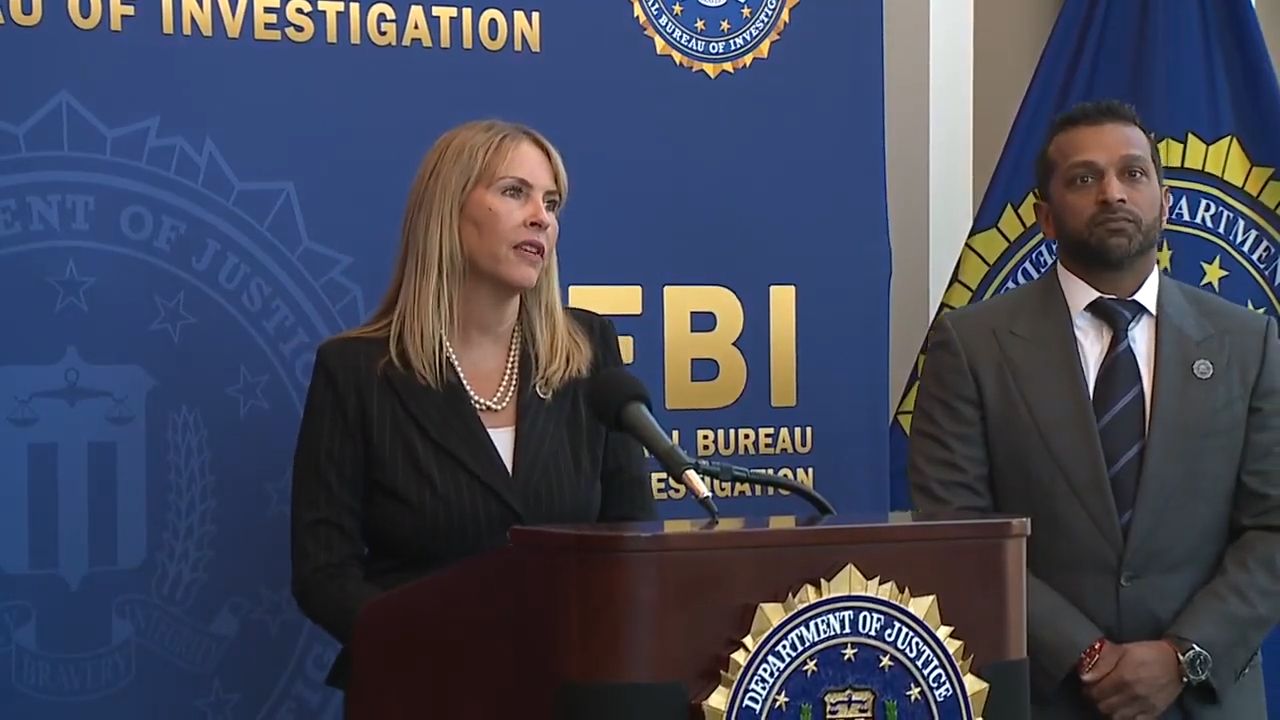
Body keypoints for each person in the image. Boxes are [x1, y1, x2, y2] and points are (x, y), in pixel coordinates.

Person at [907, 100, 1280, 718]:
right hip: (1042, 696)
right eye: (1085, 178)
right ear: (1046, 218)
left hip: (1203, 698)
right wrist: (1086, 655)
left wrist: (1182, 656)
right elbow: (957, 533)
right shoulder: (971, 346)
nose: (1113, 193)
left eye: (1133, 173)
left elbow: (1272, 526)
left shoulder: (1249, 342)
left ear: (1164, 202)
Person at [289, 119, 657, 690]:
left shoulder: (589, 351)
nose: (541, 217)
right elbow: (323, 572)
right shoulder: (356, 372)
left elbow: (632, 536)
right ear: (448, 210)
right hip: (423, 691)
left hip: (577, 688)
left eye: (551, 203)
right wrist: (437, 652)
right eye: (515, 192)